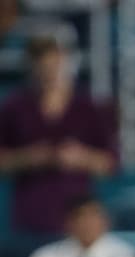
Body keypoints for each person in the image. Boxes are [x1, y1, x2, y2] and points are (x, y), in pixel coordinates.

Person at [0, 32, 117, 237]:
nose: (49, 74)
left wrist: (81, 158)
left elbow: (110, 162)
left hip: (77, 220)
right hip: (31, 218)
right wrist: (28, 158)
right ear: (31, 67)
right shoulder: (14, 108)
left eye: (54, 66)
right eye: (42, 67)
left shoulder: (86, 108)